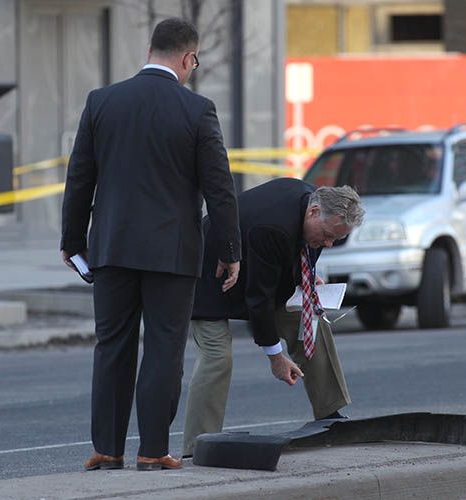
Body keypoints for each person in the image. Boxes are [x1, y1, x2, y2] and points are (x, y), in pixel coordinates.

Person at [60, 18, 241, 472]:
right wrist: (230, 250)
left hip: (113, 248)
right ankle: (153, 450)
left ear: (150, 49)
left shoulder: (102, 102)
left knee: (112, 345)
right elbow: (220, 189)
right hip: (172, 252)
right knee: (163, 347)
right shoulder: (197, 110)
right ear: (187, 58)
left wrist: (72, 241)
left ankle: (106, 448)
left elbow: (80, 177)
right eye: (194, 61)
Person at [182, 178, 365, 457]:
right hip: (209, 277)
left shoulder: (318, 202)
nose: (328, 244)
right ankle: (197, 445)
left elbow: (293, 254)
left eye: (335, 240)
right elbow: (259, 300)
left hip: (255, 273)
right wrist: (276, 357)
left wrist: (305, 276)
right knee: (217, 357)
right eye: (327, 235)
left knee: (311, 322)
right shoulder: (273, 226)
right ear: (314, 212)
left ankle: (330, 414)